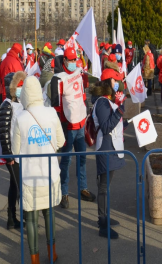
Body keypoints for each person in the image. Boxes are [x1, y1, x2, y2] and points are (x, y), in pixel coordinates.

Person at [12, 75, 64, 263]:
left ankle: (35, 260)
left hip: (29, 177)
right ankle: (53, 254)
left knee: (31, 220)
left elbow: (15, 151)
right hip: (50, 174)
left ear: (25, 94)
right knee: (49, 214)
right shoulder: (51, 113)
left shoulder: (20, 118)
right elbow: (61, 141)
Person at [50, 47, 95, 208]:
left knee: (82, 158)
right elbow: (56, 106)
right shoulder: (58, 79)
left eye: (75, 59)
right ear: (64, 61)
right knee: (66, 161)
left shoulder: (79, 73)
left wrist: (88, 109)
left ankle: (83, 188)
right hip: (68, 127)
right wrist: (60, 128)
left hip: (81, 124)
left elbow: (83, 95)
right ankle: (64, 193)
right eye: (70, 60)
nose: (73, 63)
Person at [90, 69, 126, 239]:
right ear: (108, 83)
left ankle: (104, 217)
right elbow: (105, 128)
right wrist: (119, 110)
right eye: (115, 81)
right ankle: (102, 223)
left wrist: (124, 119)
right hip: (105, 148)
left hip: (111, 147)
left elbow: (114, 125)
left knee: (106, 186)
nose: (117, 84)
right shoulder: (102, 102)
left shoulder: (106, 101)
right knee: (103, 187)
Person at [0, 71, 26, 229]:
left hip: (20, 152)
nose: (21, 88)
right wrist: (9, 156)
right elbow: (4, 132)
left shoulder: (20, 102)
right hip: (12, 154)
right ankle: (24, 219)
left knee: (14, 185)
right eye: (18, 86)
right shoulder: (6, 105)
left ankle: (11, 218)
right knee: (19, 186)